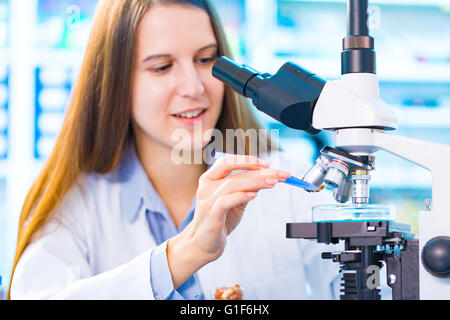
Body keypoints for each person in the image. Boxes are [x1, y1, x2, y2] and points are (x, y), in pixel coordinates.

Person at [8, 0, 340, 300]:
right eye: (162, 67)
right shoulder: (75, 207)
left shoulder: (287, 185)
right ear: (116, 82)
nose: (194, 87)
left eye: (206, 59)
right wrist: (186, 253)